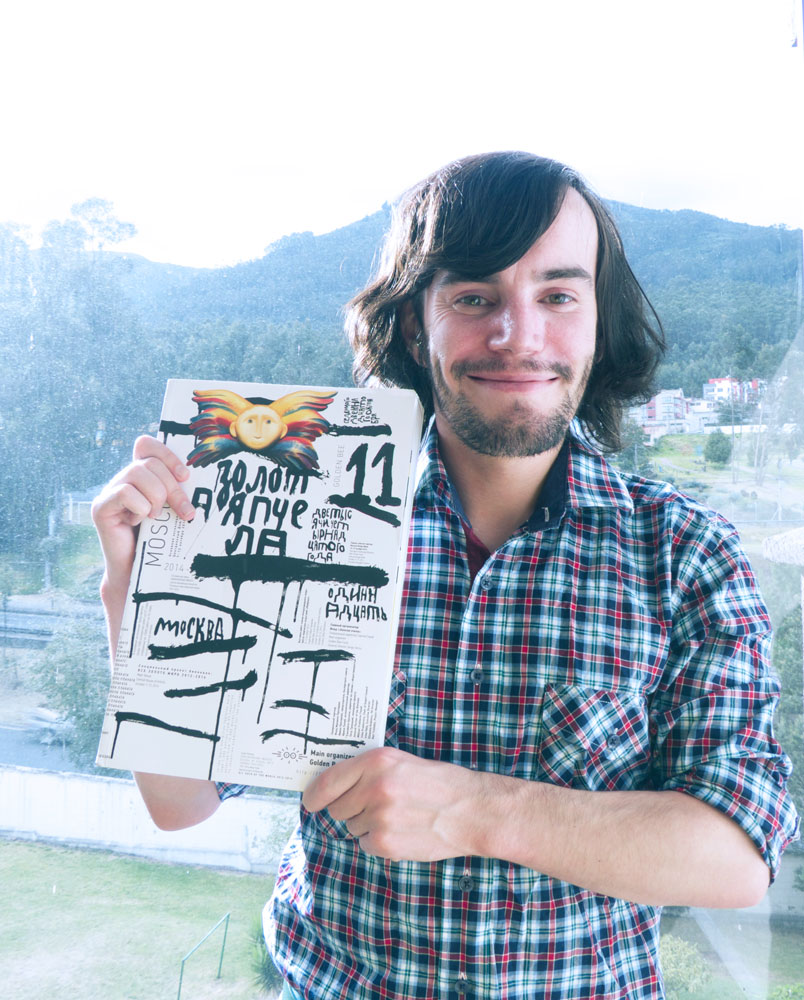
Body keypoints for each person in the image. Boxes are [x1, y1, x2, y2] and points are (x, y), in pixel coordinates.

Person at [92, 151, 800, 1000]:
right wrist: (134, 598)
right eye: (473, 298)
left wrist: (471, 809)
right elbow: (181, 802)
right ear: (411, 324)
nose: (519, 336)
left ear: (597, 321)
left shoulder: (687, 553)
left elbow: (736, 857)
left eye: (558, 297)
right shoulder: (318, 513)